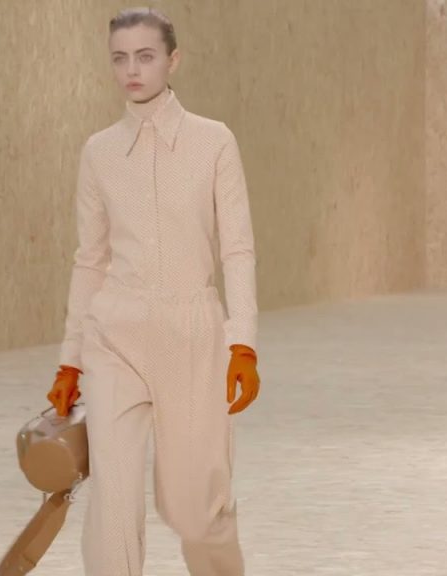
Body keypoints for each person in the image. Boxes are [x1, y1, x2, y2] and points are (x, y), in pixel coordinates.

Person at [46, 7, 260, 575]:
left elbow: (238, 249)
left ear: (173, 59)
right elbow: (90, 259)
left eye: (145, 56)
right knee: (113, 506)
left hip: (191, 334)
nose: (132, 70)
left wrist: (243, 343)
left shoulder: (214, 142)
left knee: (195, 509)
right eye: (120, 58)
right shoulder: (98, 152)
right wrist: (70, 360)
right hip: (115, 336)